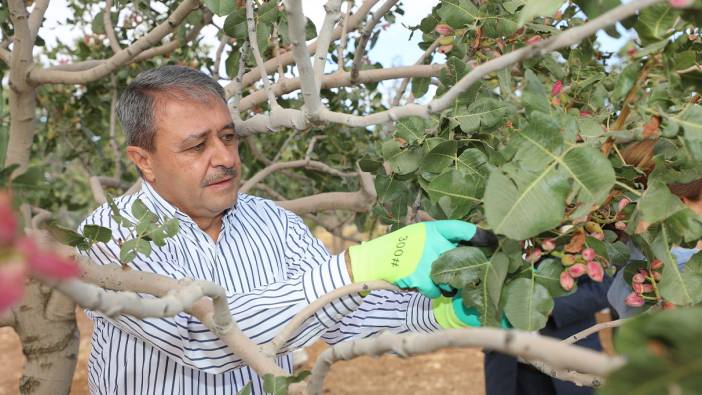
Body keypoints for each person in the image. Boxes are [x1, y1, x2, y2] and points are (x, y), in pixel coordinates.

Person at [78, 65, 482, 394]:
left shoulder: (274, 222)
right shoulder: (112, 236)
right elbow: (204, 344)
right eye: (197, 146)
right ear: (143, 160)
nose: (224, 158)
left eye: (228, 137)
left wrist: (452, 310)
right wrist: (360, 264)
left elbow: (348, 318)